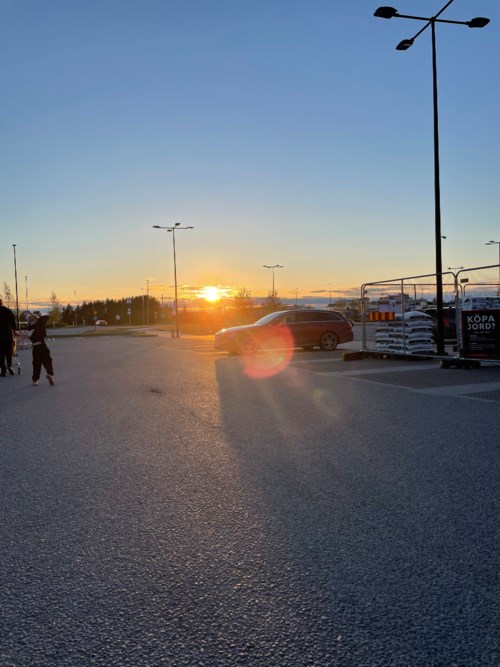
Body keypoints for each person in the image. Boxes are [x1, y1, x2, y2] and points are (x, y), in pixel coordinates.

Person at [27, 313, 55, 386]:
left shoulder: (30, 328)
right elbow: (47, 316)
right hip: (43, 346)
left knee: (36, 365)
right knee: (48, 361)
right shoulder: (40, 324)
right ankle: (50, 374)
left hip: (35, 348)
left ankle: (35, 380)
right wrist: (38, 319)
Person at [0, 298, 17, 377]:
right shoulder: (8, 311)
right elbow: (13, 321)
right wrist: (14, 330)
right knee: (8, 353)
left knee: (0, 354)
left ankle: (3, 370)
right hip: (8, 335)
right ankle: (10, 367)